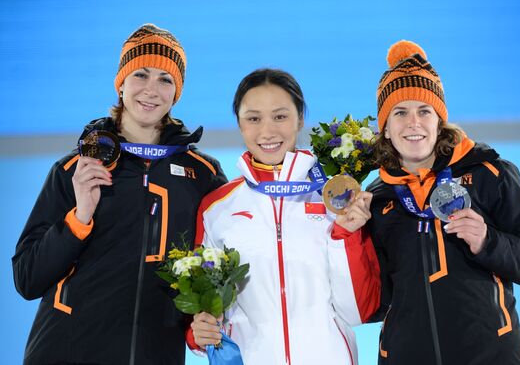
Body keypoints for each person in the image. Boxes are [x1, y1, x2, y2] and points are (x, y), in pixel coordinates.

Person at [12, 23, 227, 365]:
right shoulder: (75, 169)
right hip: (65, 352)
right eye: (140, 74)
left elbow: (217, 269)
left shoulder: (202, 174)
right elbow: (27, 279)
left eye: (165, 79)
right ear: (121, 82)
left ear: (177, 92)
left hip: (155, 355)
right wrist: (79, 217)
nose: (151, 90)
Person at [366, 40, 520, 365]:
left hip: (493, 356)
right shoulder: (377, 199)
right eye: (400, 112)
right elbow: (373, 301)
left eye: (424, 111)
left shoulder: (489, 173)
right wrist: (343, 239)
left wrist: (488, 241)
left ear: (439, 121)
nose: (413, 123)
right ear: (385, 127)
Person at [187, 68, 381, 364]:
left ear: (300, 119)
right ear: (239, 124)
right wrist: (198, 331)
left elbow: (359, 311)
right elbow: (206, 308)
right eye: (253, 118)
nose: (267, 131)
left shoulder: (336, 199)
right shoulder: (217, 208)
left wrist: (346, 234)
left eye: (280, 116)